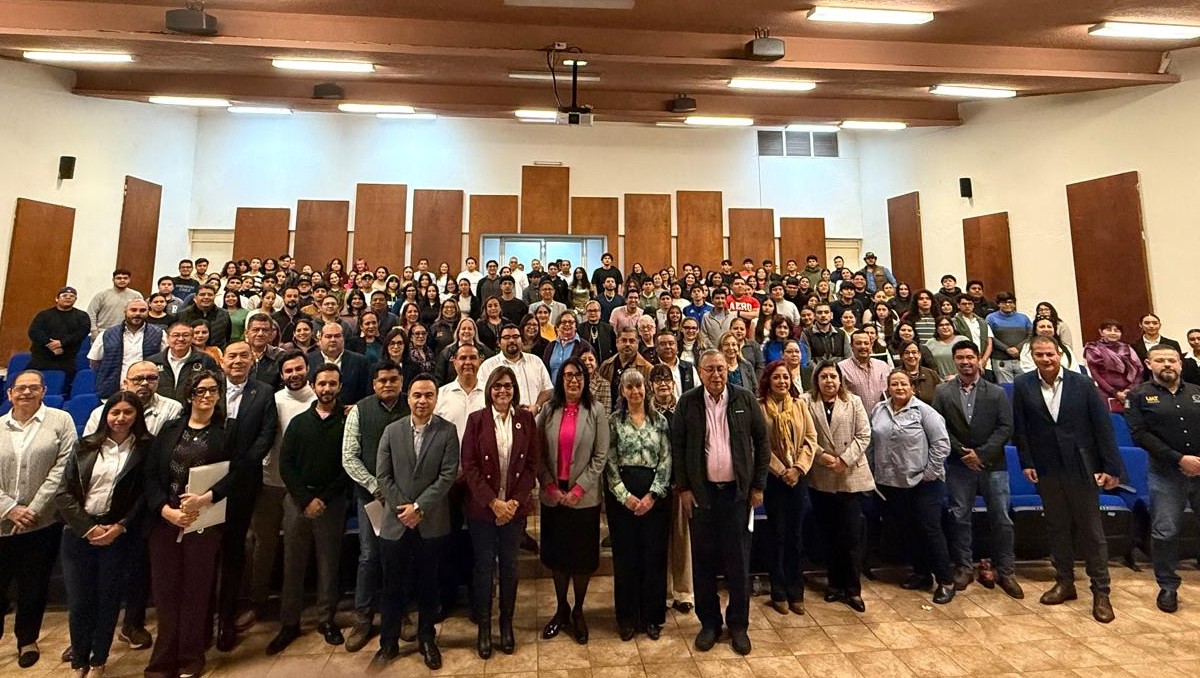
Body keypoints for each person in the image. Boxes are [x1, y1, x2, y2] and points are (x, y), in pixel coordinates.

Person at [1012, 336, 1125, 623]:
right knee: (1057, 527)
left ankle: (1101, 591)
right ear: (1032, 357)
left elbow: (1103, 427)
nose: (1046, 359)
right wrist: (1026, 462)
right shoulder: (1023, 385)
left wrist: (1111, 467)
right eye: (1039, 355)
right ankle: (1065, 582)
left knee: (1091, 531)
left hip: (1081, 466)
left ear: (1060, 354)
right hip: (1047, 469)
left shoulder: (1082, 383)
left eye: (1050, 354)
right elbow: (1021, 429)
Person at [673, 349, 769, 656]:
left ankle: (738, 625)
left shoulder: (744, 399)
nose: (716, 374)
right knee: (703, 563)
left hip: (737, 495)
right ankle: (709, 624)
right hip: (701, 496)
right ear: (700, 372)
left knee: (738, 563)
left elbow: (762, 443)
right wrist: (684, 489)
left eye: (721, 368)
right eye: (710, 369)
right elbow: (677, 447)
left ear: (728, 369)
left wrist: (757, 486)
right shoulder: (687, 402)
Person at [142, 370, 235, 678]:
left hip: (203, 522)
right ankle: (162, 660)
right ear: (189, 394)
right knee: (166, 594)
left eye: (212, 390)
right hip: (166, 522)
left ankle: (191, 657)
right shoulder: (169, 430)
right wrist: (166, 511)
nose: (206, 396)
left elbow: (238, 474)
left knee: (197, 592)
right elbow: (152, 476)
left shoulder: (226, 431)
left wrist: (206, 497)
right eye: (200, 391)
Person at [56, 392, 152, 678]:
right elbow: (64, 493)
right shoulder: (84, 447)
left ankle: (98, 660)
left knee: (108, 599)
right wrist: (87, 527)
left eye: (127, 413)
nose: (121, 418)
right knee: (80, 602)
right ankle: (78, 662)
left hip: (117, 533)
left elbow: (144, 496)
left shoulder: (146, 450)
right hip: (78, 532)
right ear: (105, 415)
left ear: (137, 417)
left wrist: (120, 525)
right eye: (115, 412)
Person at [372, 374, 460, 672]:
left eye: (428, 395)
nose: (423, 401)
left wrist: (419, 507)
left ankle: (426, 639)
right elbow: (383, 476)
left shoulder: (447, 432)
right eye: (417, 395)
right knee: (392, 586)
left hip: (431, 521)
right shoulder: (391, 430)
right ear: (408, 398)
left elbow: (448, 475)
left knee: (428, 584)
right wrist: (404, 508)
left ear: (436, 399)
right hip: (396, 523)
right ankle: (388, 643)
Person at [460, 366, 542, 658]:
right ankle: (484, 626)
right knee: (483, 569)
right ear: (489, 390)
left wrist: (514, 503)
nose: (503, 391)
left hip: (514, 510)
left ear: (515, 389)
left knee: (510, 568)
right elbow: (468, 466)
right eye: (497, 386)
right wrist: (494, 503)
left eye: (507, 386)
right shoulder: (476, 420)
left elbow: (532, 464)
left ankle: (506, 625)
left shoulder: (526, 419)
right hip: (483, 510)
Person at [931, 341, 1023, 599]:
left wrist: (981, 454)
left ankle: (1006, 570)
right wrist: (963, 453)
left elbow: (1005, 428)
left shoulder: (996, 392)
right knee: (960, 517)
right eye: (960, 358)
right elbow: (939, 427)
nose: (965, 362)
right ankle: (963, 567)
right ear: (954, 360)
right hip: (958, 465)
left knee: (1001, 518)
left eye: (970, 357)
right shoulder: (943, 391)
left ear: (978, 360)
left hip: (993, 465)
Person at [268, 364, 349, 654]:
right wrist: (305, 499)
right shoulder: (300, 422)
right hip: (298, 502)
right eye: (322, 383)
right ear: (313, 386)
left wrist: (323, 499)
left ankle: (326, 620)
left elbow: (347, 466)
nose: (327, 389)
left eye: (333, 384)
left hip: (332, 502)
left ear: (340, 386)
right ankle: (289, 623)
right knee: (293, 563)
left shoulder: (347, 421)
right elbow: (286, 465)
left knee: (329, 564)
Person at [0, 371, 75, 669]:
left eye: (33, 388)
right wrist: (8, 508)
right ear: (9, 394)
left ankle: (27, 639)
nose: (26, 393)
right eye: (21, 388)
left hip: (41, 522)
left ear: (44, 391)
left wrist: (33, 508)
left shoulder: (60, 421)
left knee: (34, 584)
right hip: (1, 521)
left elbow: (64, 466)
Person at [211, 343, 279, 651]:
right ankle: (201, 619)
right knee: (206, 552)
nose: (238, 361)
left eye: (244, 356)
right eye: (233, 356)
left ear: (253, 361)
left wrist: (241, 469)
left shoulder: (263, 392)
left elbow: (266, 436)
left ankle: (226, 618)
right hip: (206, 481)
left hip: (243, 482)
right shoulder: (208, 388)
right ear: (222, 361)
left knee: (235, 548)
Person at [1123, 345, 1200, 612]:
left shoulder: (1197, 392)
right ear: (1148, 363)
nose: (1167, 364)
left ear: (1180, 363)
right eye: (1160, 360)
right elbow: (1140, 435)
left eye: (1172, 360)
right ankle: (1168, 586)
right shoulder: (1138, 395)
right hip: (1166, 473)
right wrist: (1179, 458)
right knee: (1165, 531)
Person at [868, 369, 955, 604]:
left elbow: (941, 444)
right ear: (887, 388)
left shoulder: (925, 412)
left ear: (912, 387)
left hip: (924, 483)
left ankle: (946, 580)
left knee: (930, 530)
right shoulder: (879, 410)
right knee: (908, 530)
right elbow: (871, 443)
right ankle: (921, 573)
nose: (899, 388)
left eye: (903, 384)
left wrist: (929, 473)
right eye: (894, 384)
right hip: (891, 482)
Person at [340, 361, 409, 652]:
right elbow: (349, 456)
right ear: (374, 384)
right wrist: (376, 487)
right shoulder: (360, 410)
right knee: (369, 556)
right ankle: (363, 616)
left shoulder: (412, 405)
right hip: (373, 498)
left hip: (406, 498)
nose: (388, 384)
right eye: (382, 380)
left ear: (401, 381)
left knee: (403, 555)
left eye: (393, 379)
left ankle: (401, 613)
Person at [243, 351, 313, 634]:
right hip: (268, 482)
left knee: (295, 549)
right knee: (262, 545)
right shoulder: (270, 400)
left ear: (308, 368)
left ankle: (290, 612)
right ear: (281, 375)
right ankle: (257, 602)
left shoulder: (319, 398)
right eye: (288, 371)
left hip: (300, 487)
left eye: (299, 368)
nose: (294, 374)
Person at [801, 360, 873, 612]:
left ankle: (852, 589)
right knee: (829, 535)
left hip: (849, 475)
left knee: (851, 536)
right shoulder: (805, 402)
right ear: (816, 380)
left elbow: (864, 434)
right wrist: (822, 455)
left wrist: (844, 459)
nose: (829, 381)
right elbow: (804, 435)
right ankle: (834, 584)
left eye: (833, 376)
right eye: (824, 377)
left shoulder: (853, 402)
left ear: (840, 380)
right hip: (821, 476)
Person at [756, 360, 817, 616]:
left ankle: (796, 591)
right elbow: (760, 446)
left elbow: (811, 439)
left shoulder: (800, 405)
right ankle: (778, 591)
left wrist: (798, 469)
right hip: (774, 480)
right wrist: (782, 471)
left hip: (798, 477)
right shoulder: (760, 409)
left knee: (796, 536)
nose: (782, 382)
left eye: (785, 378)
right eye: (777, 378)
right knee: (777, 535)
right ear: (768, 381)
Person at [89, 299, 163, 399]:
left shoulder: (160, 334)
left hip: (147, 392)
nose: (137, 313)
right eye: (133, 310)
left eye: (142, 310)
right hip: (113, 391)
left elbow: (164, 361)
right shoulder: (106, 334)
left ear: (148, 312)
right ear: (125, 312)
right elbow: (94, 362)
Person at [27, 286, 91, 381]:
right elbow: (34, 331)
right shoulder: (44, 315)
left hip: (67, 359)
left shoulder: (82, 316)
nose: (68, 297)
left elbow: (81, 333)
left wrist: (61, 343)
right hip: (41, 358)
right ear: (57, 298)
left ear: (75, 299)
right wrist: (51, 345)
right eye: (64, 295)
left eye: (72, 296)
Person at [147, 321, 219, 402]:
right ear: (167, 338)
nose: (181, 339)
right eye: (176, 335)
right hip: (160, 411)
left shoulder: (206, 360)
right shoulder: (152, 362)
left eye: (186, 335)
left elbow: (216, 389)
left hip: (194, 411)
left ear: (192, 338)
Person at [307, 322, 370, 406]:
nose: (333, 340)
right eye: (328, 336)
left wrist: (356, 407)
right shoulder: (307, 361)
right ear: (320, 339)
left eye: (337, 336)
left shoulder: (360, 362)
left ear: (343, 338)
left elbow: (367, 393)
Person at [1084, 320, 1143, 408]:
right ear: (1101, 332)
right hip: (1105, 392)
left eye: (1116, 330)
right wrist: (1115, 392)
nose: (1113, 333)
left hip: (1130, 392)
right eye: (1109, 330)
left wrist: (1130, 389)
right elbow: (1095, 374)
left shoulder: (1127, 348)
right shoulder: (1093, 348)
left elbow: (1139, 370)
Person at [838, 330, 891, 409]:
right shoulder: (841, 368)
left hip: (881, 418)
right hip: (854, 418)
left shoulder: (883, 366)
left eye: (866, 343)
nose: (863, 346)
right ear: (851, 346)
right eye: (858, 343)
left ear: (871, 345)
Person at [986, 292, 1031, 384]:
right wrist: (1006, 349)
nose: (1007, 305)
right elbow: (990, 337)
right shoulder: (991, 318)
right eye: (1003, 302)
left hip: (1021, 359)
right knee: (1006, 389)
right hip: (1000, 360)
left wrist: (1018, 348)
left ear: (1014, 304)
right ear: (998, 304)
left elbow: (1030, 335)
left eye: (1010, 302)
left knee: (1024, 387)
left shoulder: (1024, 318)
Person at [87, 269, 144, 338]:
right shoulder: (102, 295)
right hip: (103, 332)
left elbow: (142, 313)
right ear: (113, 280)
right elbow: (91, 313)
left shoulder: (136, 296)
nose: (122, 280)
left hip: (127, 333)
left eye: (125, 278)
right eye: (119, 278)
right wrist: (93, 330)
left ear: (129, 280)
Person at [543, 311, 594, 383]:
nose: (567, 324)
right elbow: (545, 371)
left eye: (571, 322)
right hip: (553, 392)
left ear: (576, 326)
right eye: (563, 322)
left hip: (575, 390)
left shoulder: (584, 346)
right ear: (557, 327)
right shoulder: (551, 346)